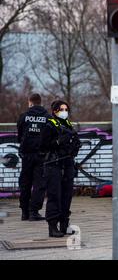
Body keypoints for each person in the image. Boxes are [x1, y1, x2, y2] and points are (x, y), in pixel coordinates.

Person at [40, 100, 81, 237]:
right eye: (61, 109)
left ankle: (64, 224)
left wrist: (75, 144)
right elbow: (43, 146)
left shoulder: (68, 124)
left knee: (66, 196)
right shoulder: (49, 125)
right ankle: (52, 227)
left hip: (67, 163)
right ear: (54, 111)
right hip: (53, 164)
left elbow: (73, 141)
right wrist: (58, 141)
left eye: (66, 109)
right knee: (54, 196)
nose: (64, 111)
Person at [16, 93, 50, 221]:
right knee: (39, 184)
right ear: (40, 102)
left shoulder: (23, 117)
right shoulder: (47, 117)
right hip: (42, 156)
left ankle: (24, 212)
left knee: (25, 183)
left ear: (30, 102)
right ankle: (34, 212)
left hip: (26, 155)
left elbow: (19, 136)